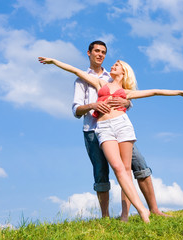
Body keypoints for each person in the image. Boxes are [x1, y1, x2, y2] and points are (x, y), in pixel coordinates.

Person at [38, 52, 183, 223]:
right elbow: (75, 71)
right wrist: (54, 61)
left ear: (124, 72)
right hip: (103, 128)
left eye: (117, 65)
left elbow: (155, 91)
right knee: (118, 169)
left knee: (126, 170)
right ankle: (142, 209)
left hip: (122, 125)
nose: (112, 65)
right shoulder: (100, 82)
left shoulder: (126, 92)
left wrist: (180, 92)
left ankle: (135, 214)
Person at [69, 41, 173, 222]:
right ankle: (105, 217)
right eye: (97, 51)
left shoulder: (112, 76)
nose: (100, 55)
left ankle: (151, 210)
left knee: (139, 166)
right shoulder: (82, 79)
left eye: (103, 52)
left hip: (119, 127)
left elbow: (125, 97)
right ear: (89, 53)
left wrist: (127, 103)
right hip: (93, 130)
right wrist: (93, 105)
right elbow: (76, 110)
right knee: (101, 173)